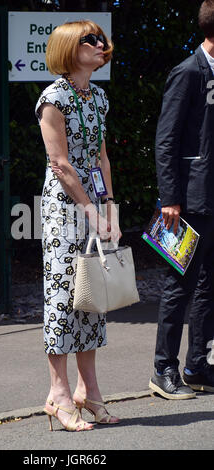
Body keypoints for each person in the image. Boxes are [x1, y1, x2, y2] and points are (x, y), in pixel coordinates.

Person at [35, 20, 121, 431]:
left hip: (92, 203)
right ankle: (59, 394)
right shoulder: (54, 98)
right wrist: (88, 208)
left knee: (92, 295)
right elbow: (61, 164)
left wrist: (109, 210)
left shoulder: (98, 97)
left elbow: (101, 157)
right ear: (70, 48)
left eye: (102, 39)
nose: (101, 45)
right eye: (91, 40)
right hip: (63, 207)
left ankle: (91, 392)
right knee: (64, 297)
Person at [149, 0, 214, 399]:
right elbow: (166, 139)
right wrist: (170, 197)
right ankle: (163, 370)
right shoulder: (188, 72)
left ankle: (196, 365)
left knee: (209, 287)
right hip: (187, 202)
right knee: (180, 286)